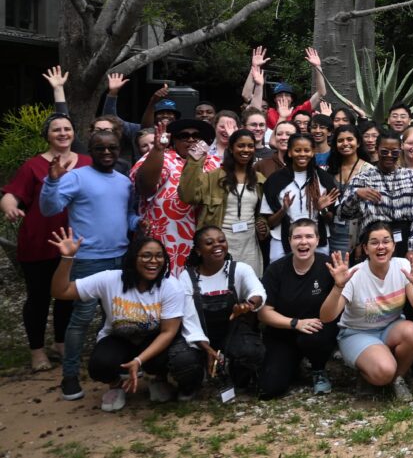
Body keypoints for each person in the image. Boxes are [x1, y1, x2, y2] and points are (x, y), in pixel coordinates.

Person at [41, 130, 141, 399]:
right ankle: (70, 375)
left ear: (119, 149)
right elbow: (49, 208)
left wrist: (140, 223)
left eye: (112, 148)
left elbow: (128, 214)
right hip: (88, 260)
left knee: (118, 318)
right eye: (100, 148)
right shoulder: (77, 176)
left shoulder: (124, 181)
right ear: (91, 151)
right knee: (81, 319)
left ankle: (115, 369)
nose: (107, 153)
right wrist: (51, 182)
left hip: (120, 258)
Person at [49, 229, 184, 412]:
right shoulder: (110, 279)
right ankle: (115, 385)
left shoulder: (171, 286)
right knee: (100, 365)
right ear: (132, 259)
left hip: (153, 339)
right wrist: (67, 259)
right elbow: (61, 292)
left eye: (159, 256)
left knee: (170, 357)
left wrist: (138, 360)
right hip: (119, 337)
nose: (154, 261)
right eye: (146, 256)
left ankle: (157, 378)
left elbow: (168, 332)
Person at [1, 113, 88, 373]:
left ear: (74, 133)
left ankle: (60, 344)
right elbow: (10, 196)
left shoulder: (87, 162)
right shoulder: (33, 166)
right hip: (39, 242)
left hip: (73, 243)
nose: (62, 133)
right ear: (47, 135)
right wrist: (9, 208)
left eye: (67, 129)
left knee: (66, 298)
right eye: (56, 130)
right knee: (38, 298)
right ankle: (37, 351)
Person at [319, 224, 413, 401]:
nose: (381, 247)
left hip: (390, 328)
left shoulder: (402, 265)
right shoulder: (354, 274)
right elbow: (326, 317)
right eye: (374, 242)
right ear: (365, 248)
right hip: (356, 333)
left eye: (386, 241)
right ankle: (372, 373)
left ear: (393, 246)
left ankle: (397, 379)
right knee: (384, 370)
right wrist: (338, 286)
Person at [171, 226, 266, 397]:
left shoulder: (240, 269)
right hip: (199, 334)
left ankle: (238, 378)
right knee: (182, 360)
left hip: (232, 332)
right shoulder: (187, 277)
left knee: (252, 352)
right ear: (199, 251)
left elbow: (258, 292)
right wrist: (207, 349)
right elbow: (189, 319)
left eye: (221, 240)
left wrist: (248, 304)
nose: (217, 245)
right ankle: (193, 382)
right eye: (209, 243)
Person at [257, 219, 339, 398]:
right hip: (284, 330)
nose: (303, 242)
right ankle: (292, 363)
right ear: (289, 240)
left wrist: (339, 285)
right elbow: (264, 312)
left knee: (314, 336)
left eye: (309, 236)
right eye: (298, 237)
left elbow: (338, 311)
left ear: (317, 240)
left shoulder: (329, 267)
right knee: (270, 388)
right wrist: (295, 323)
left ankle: (318, 370)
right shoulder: (275, 270)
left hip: (317, 330)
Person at [131, 118, 219, 274]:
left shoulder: (216, 163)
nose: (191, 139)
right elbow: (145, 188)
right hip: (165, 245)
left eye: (196, 136)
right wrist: (157, 150)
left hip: (205, 245)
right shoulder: (163, 158)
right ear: (174, 141)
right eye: (184, 136)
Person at [178, 129, 267, 276]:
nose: (246, 150)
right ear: (231, 149)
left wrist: (262, 224)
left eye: (250, 146)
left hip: (249, 246)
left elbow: (262, 213)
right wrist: (194, 162)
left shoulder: (259, 179)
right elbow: (188, 196)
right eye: (241, 146)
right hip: (220, 245)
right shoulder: (213, 177)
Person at [339, 131, 413, 257]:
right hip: (374, 240)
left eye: (394, 152)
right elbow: (343, 214)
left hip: (404, 239)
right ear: (376, 149)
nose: (389, 156)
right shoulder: (363, 178)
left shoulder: (411, 176)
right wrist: (356, 194)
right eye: (384, 151)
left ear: (400, 150)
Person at [260, 134, 339, 261]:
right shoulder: (275, 180)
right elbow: (270, 223)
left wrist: (321, 209)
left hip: (316, 240)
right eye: (297, 150)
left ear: (313, 152)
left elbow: (331, 220)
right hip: (282, 240)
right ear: (290, 153)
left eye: (307, 150)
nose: (302, 154)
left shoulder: (324, 179)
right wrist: (283, 210)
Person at [326, 125, 372, 256]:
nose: (345, 143)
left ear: (358, 143)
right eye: (340, 140)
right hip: (333, 234)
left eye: (350, 139)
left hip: (357, 235)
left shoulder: (369, 170)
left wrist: (362, 240)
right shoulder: (330, 170)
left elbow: (372, 211)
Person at [261, 48, 328, 128]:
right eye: (280, 95)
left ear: (292, 99)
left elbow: (321, 93)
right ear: (274, 99)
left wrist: (317, 67)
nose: (283, 98)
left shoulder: (299, 111)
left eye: (287, 95)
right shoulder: (268, 112)